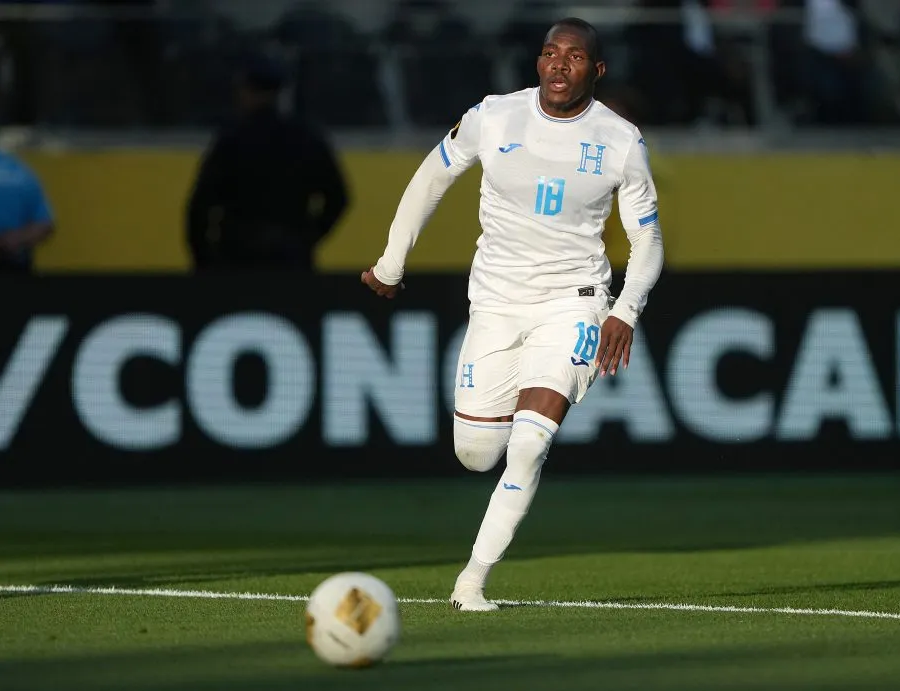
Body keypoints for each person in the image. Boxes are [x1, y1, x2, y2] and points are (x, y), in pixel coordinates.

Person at [361, 18, 664, 611]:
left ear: (595, 71)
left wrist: (624, 309)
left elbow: (648, 240)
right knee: (475, 453)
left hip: (574, 300)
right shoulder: (494, 116)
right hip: (495, 303)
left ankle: (471, 581)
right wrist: (392, 261)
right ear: (537, 61)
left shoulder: (621, 141)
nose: (559, 65)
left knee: (529, 442)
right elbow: (430, 179)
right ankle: (483, 485)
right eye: (550, 53)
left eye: (575, 57)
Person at [185, 52, 348, 270]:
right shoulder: (307, 137)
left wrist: (203, 259)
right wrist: (307, 238)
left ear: (245, 90)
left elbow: (200, 205)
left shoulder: (231, 139)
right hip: (291, 258)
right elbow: (339, 197)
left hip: (236, 256)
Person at [0, 148, 55, 273]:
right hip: (14, 259)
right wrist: (15, 239)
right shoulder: (21, 172)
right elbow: (44, 224)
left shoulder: (21, 173)